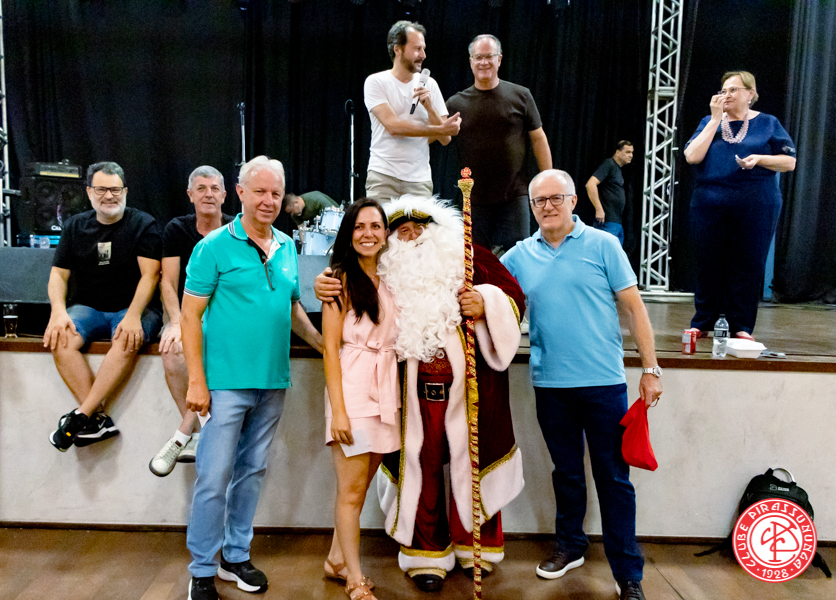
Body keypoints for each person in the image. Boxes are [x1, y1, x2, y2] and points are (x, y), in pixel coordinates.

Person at [316, 196, 526, 593]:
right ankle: (425, 553)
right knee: (418, 468)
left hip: (467, 390)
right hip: (406, 394)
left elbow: (513, 293)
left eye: (420, 229)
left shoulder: (467, 258)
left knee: (470, 464)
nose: (412, 237)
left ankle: (474, 547)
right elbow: (340, 301)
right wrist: (324, 280)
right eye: (403, 231)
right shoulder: (383, 271)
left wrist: (486, 302)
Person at [501, 170, 663, 600]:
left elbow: (635, 308)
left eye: (556, 198)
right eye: (539, 201)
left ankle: (628, 573)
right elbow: (488, 291)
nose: (548, 207)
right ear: (531, 207)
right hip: (550, 385)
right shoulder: (519, 256)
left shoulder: (603, 245)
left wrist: (651, 369)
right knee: (567, 474)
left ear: (574, 201)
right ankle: (571, 545)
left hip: (604, 384)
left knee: (614, 478)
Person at [181, 156, 323, 600]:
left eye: (276, 193)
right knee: (213, 477)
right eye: (259, 191)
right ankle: (202, 570)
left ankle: (235, 556)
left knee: (252, 471)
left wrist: (325, 346)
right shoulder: (212, 247)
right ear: (240, 193)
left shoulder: (287, 246)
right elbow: (189, 316)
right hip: (223, 384)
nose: (268, 200)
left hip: (272, 382)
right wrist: (196, 381)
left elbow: (292, 308)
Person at [45, 161, 162, 451]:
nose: (109, 196)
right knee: (60, 337)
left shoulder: (143, 224)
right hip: (89, 309)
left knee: (126, 337)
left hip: (134, 308)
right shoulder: (75, 226)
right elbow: (58, 275)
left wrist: (133, 316)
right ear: (88, 192)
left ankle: (81, 415)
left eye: (115, 190)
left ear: (125, 191)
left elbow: (150, 276)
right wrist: (57, 312)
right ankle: (96, 419)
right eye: (101, 189)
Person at [321, 199, 398, 600]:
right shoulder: (339, 280)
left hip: (385, 391)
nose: (368, 233)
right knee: (350, 493)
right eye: (359, 226)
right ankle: (354, 578)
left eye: (375, 226)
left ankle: (336, 560)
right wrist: (339, 412)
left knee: (362, 486)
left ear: (386, 233)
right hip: (353, 390)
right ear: (348, 233)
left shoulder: (390, 279)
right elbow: (330, 350)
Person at [683, 71, 796, 340]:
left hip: (757, 205)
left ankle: (741, 326)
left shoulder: (768, 123)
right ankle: (703, 321)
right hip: (710, 203)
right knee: (709, 262)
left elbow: (789, 162)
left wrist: (759, 159)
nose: (727, 95)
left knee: (748, 263)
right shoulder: (708, 122)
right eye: (723, 90)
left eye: (733, 90)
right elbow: (691, 156)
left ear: (750, 93)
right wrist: (714, 120)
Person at [149, 166, 233, 477]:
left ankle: (184, 434)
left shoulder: (236, 230)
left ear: (225, 195)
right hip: (187, 313)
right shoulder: (176, 229)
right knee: (172, 350)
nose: (208, 194)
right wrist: (175, 323)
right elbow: (168, 283)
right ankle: (199, 430)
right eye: (201, 189)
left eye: (214, 189)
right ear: (190, 195)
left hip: (225, 316)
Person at [445, 34, 552, 255]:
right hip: (473, 199)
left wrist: (548, 180)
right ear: (471, 61)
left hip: (513, 196)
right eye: (478, 57)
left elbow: (538, 138)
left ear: (499, 59)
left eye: (489, 56)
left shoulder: (521, 96)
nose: (484, 62)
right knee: (474, 260)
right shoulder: (455, 104)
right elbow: (439, 137)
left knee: (518, 256)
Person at [364, 21, 461, 201]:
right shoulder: (376, 82)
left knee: (421, 222)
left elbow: (445, 138)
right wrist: (440, 129)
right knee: (380, 221)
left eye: (423, 49)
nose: (423, 55)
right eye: (417, 49)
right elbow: (393, 127)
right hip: (383, 176)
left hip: (419, 180)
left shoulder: (430, 84)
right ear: (398, 49)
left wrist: (430, 108)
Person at [585, 140, 634, 246]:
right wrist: (599, 209)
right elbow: (590, 185)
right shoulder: (609, 164)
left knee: (614, 254)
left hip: (616, 222)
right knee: (604, 252)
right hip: (607, 222)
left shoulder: (618, 169)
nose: (631, 155)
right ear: (618, 152)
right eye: (627, 152)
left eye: (632, 152)